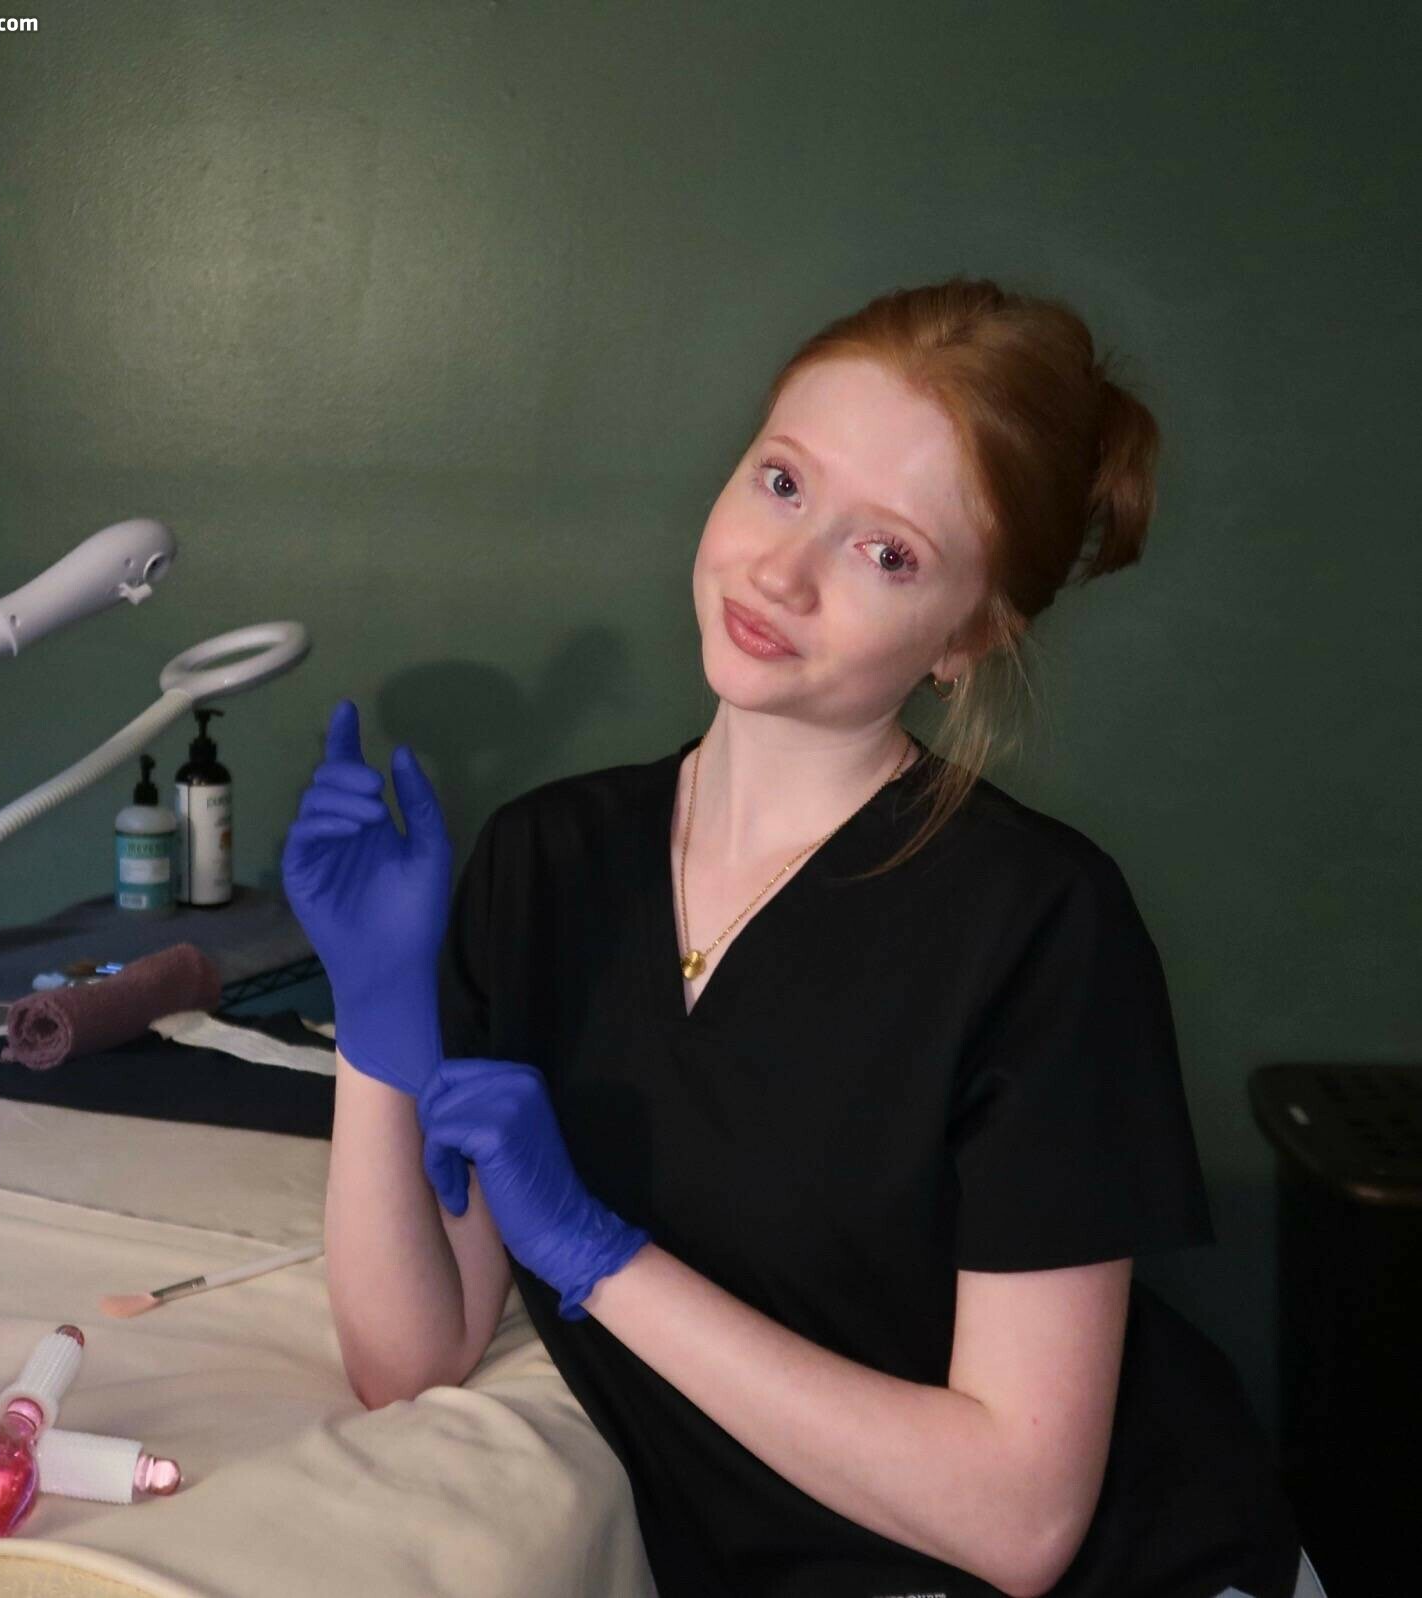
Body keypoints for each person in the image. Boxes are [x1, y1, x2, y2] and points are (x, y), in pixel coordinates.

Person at [284, 277, 1306, 1598]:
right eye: (781, 483)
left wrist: (599, 1256)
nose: (782, 571)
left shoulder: (1042, 924)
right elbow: (409, 1356)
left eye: (888, 554)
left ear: (968, 635)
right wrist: (378, 1025)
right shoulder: (547, 860)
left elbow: (1018, 1522)